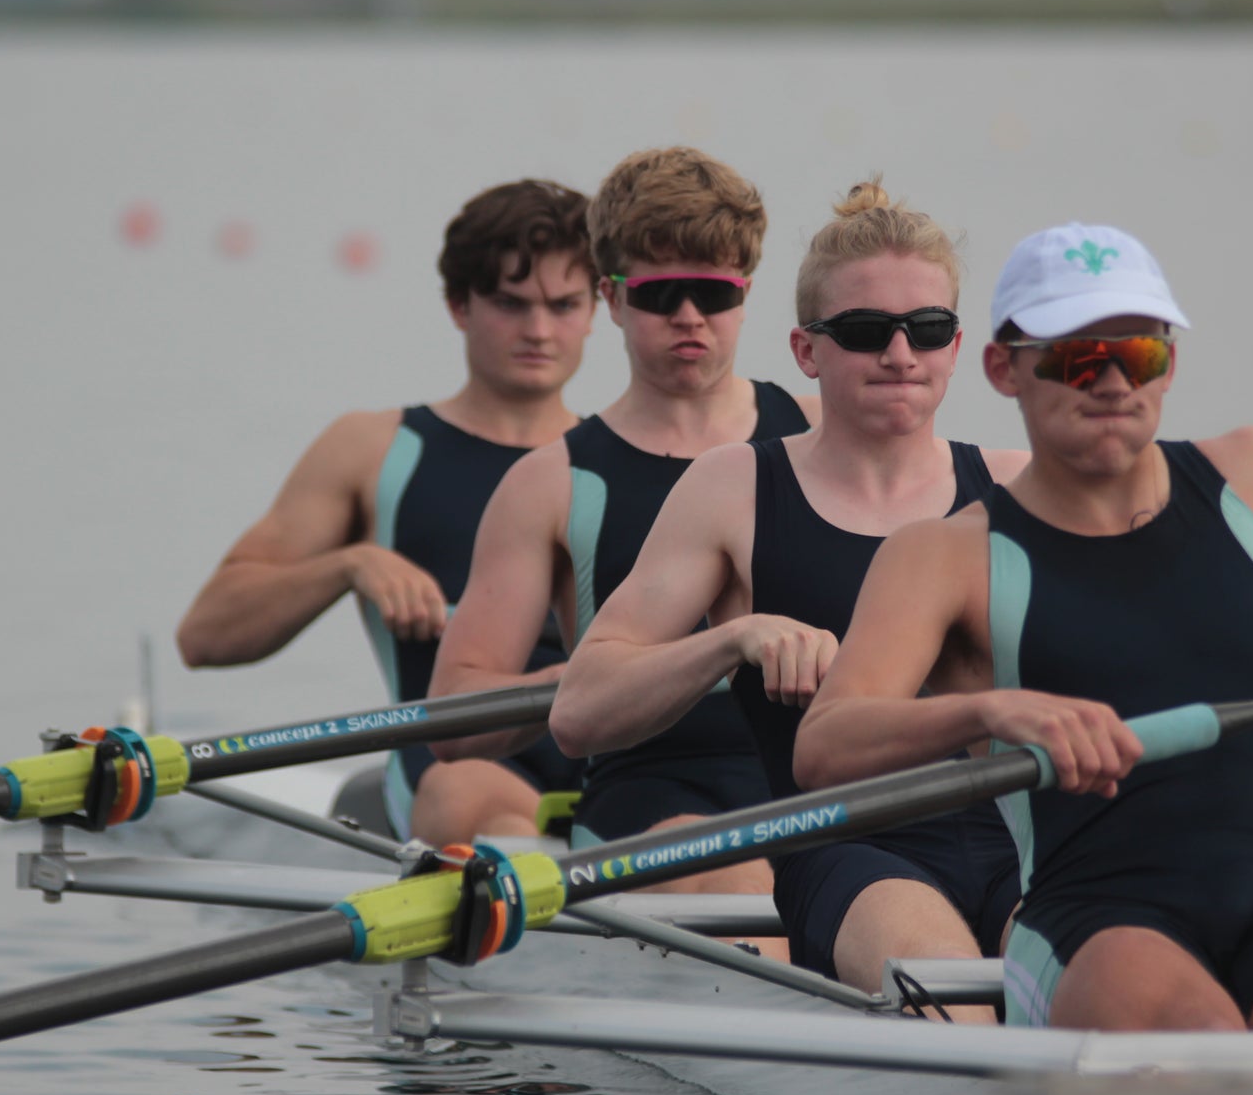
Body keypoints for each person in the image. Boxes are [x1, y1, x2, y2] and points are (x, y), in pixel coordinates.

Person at [794, 222, 1253, 1031]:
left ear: (1169, 362)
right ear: (1005, 368)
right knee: (1194, 1036)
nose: (1111, 380)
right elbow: (826, 748)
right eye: (1075, 355)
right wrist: (987, 712)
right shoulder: (947, 555)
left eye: (1138, 352)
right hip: (1092, 921)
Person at [549, 180, 1027, 1005]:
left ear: (957, 346)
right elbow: (579, 711)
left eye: (930, 329)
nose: (901, 354)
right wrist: (732, 640)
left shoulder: (1018, 487)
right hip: (848, 850)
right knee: (963, 999)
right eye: (868, 332)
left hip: (1028, 846)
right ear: (808, 352)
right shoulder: (736, 487)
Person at [428, 147, 816, 909]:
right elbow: (453, 718)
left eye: (714, 293)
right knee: (747, 881)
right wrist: (589, 681)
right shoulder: (551, 483)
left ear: (746, 293)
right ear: (610, 297)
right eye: (661, 292)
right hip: (651, 792)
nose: (689, 317)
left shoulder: (820, 433)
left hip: (818, 778)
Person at [176, 179, 595, 845]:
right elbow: (205, 636)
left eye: (564, 304)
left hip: (612, 763)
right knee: (475, 794)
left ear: (599, 307)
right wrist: (349, 565)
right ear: (458, 305)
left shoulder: (623, 454)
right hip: (452, 769)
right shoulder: (374, 450)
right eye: (511, 304)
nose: (540, 330)